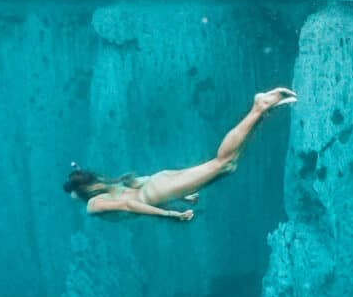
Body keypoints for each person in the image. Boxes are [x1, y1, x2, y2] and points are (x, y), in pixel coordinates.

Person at [63, 87, 297, 221]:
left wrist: (170, 215)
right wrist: (180, 197)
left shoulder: (93, 205)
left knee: (223, 163)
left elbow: (130, 205)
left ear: (80, 191)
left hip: (159, 189)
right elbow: (139, 186)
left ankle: (258, 107)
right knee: (229, 165)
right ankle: (261, 113)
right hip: (159, 183)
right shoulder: (108, 187)